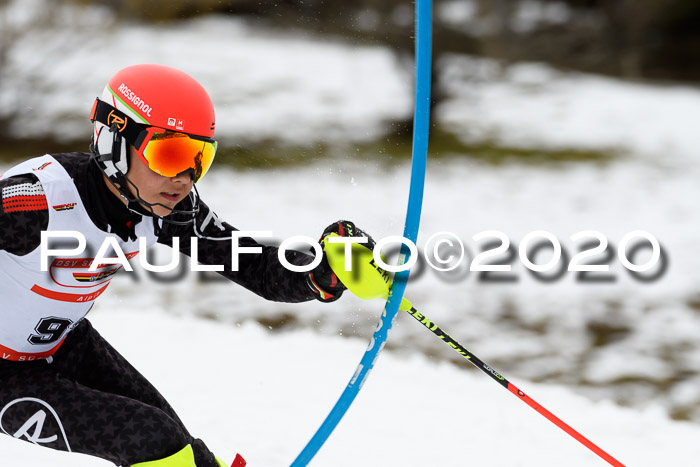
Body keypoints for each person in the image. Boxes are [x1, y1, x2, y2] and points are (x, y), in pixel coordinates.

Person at [0, 64, 366, 467]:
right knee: (154, 441)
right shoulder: (33, 203)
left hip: (65, 345)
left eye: (199, 158)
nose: (185, 179)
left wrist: (326, 269)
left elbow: (256, 265)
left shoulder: (164, 208)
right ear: (115, 142)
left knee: (183, 450)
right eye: (169, 154)